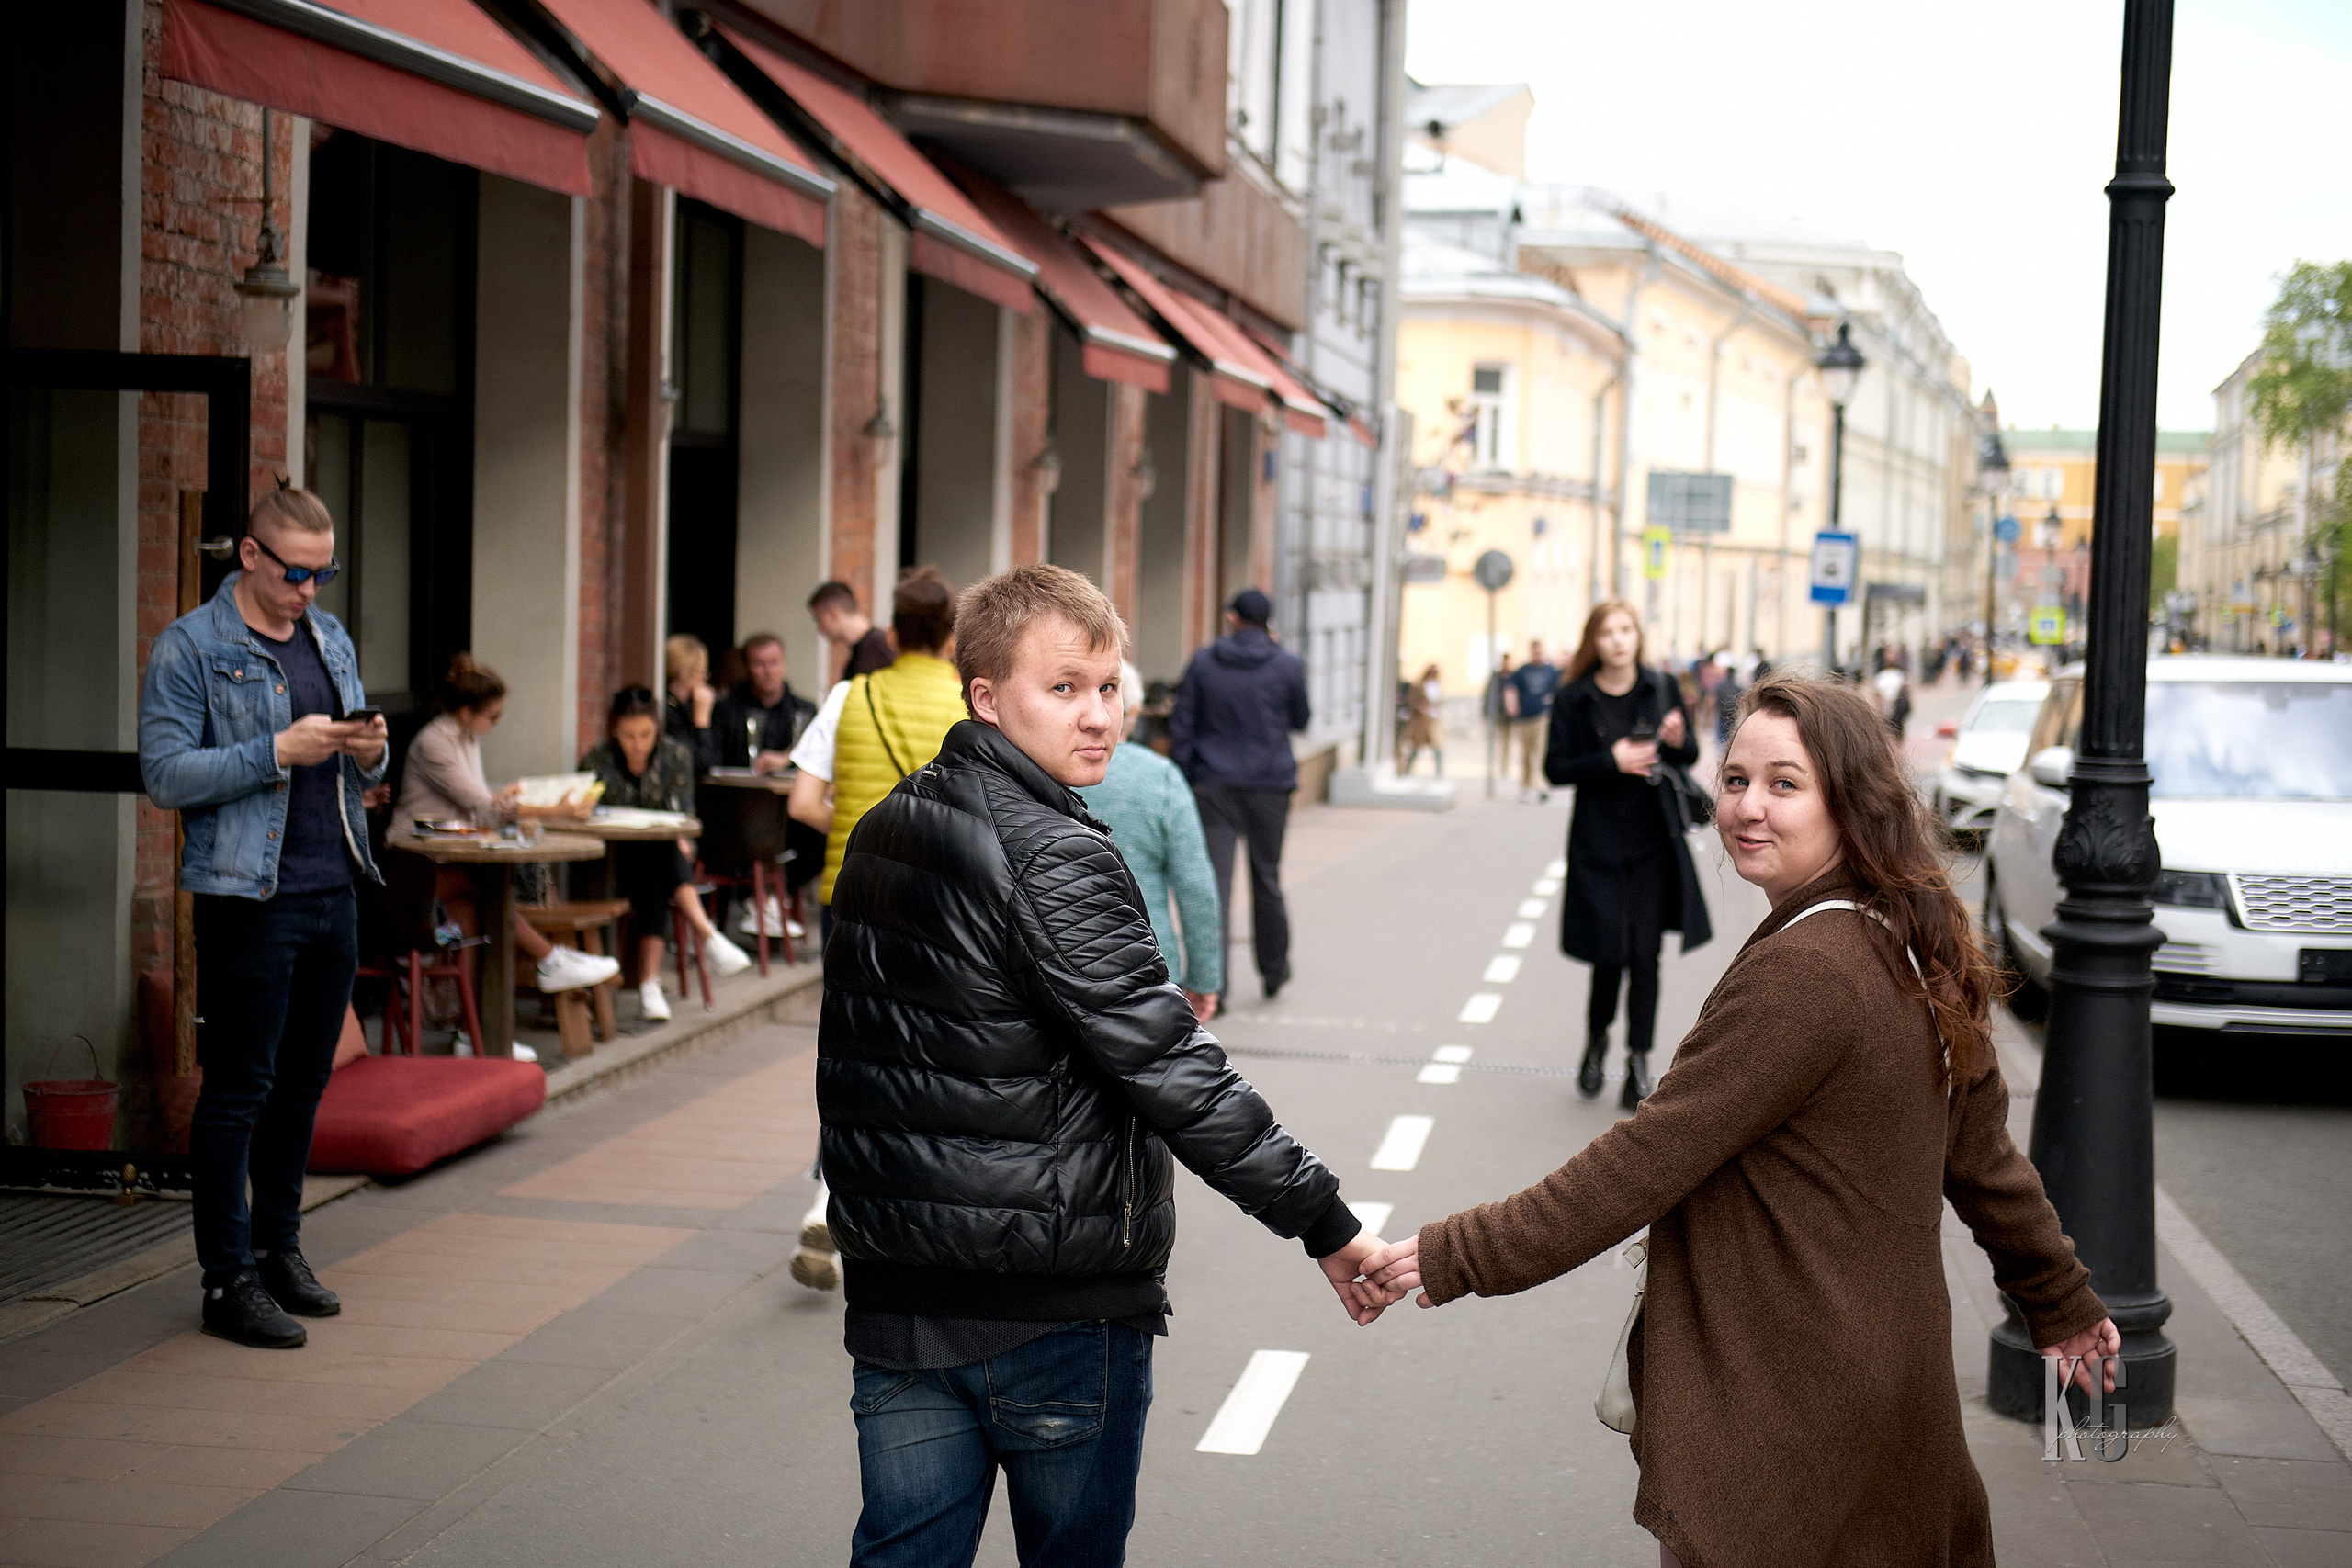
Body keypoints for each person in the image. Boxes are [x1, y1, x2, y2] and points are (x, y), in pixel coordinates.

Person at [1359, 671, 2120, 1568]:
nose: (1747, 807)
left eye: (1783, 784)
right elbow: (1985, 1161)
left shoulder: (1808, 972)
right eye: (1734, 780)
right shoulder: (1911, 937)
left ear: (1849, 803)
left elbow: (1638, 1165)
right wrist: (2057, 1300)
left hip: (1788, 1406)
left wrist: (1451, 1253)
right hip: (1885, 1385)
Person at [819, 562, 1385, 1567]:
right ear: (986, 697)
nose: (1098, 715)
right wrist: (1326, 1224)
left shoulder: (885, 827)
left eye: (1110, 685)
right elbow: (1173, 1070)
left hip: (899, 1298)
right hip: (1052, 1307)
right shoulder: (1052, 853)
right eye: (1064, 687)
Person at [139, 486, 390, 1348]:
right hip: (247, 896)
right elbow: (166, 775)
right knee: (239, 1089)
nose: (309, 590)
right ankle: (227, 1278)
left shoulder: (328, 635)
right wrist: (275, 750)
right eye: (295, 572)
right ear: (249, 554)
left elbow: (362, 767)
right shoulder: (190, 647)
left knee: (303, 1085)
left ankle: (279, 1249)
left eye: (323, 573)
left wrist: (370, 748)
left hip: (334, 888)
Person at [1545, 601, 1712, 1109]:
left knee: (1645, 955)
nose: (1618, 640)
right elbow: (1555, 768)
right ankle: (1596, 1042)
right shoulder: (1574, 697)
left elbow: (1687, 756)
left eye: (1626, 630)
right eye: (1607, 632)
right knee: (1609, 953)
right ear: (1593, 642)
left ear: (1638, 635)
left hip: (1653, 842)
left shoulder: (1661, 687)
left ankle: (1639, 1060)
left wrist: (1679, 741)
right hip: (1598, 844)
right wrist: (1610, 760)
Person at [390, 654, 623, 1010]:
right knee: (488, 886)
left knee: (470, 913)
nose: (498, 723)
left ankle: (466, 1024)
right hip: (412, 867)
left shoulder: (466, 737)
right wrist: (552, 810)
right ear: (466, 712)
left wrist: (504, 798)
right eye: (494, 716)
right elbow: (482, 807)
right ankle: (551, 959)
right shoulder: (434, 742)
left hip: (443, 857)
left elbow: (478, 803)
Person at [788, 565, 966, 920]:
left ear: (892, 637)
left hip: (851, 890)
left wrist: (858, 830)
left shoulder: (848, 696)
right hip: (937, 899)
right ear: (952, 641)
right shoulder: (972, 708)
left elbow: (803, 804)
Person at [1167, 588, 1310, 1003]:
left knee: (1216, 886)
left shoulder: (1204, 662)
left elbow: (1182, 723)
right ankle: (1274, 970)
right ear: (1268, 621)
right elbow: (1301, 718)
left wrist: (1187, 774)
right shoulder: (1287, 665)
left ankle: (1216, 986)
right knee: (1267, 878)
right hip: (1270, 787)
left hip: (1214, 785)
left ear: (1232, 617)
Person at [578, 687, 752, 1021]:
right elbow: (585, 810)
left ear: (657, 728)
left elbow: (684, 813)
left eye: (645, 734)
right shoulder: (598, 761)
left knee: (658, 861)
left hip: (664, 857)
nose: (638, 744)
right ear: (615, 730)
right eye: (629, 735)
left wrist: (681, 839)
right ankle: (702, 941)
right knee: (659, 859)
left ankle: (653, 982)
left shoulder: (675, 755)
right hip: (612, 862)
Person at [1076, 660, 1224, 1021]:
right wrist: (1204, 978)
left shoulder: (1044, 774)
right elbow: (1196, 888)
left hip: (1064, 963)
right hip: (1151, 963)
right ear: (1134, 713)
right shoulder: (1161, 778)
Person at [713, 632, 820, 935]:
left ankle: (772, 896)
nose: (768, 671)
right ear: (748, 667)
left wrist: (786, 758)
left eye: (774, 662)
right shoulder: (728, 709)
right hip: (740, 811)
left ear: (783, 663)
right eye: (760, 664)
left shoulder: (803, 710)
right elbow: (715, 759)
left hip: (790, 815)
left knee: (824, 834)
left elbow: (819, 758)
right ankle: (760, 900)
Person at [808, 579, 897, 682]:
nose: (819, 628)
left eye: (819, 620)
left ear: (833, 614)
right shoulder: (862, 649)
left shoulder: (880, 644)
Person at [1504, 639, 1560, 801]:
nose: (1537, 655)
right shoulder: (1523, 670)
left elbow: (1559, 689)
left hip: (1542, 717)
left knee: (1541, 751)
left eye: (1539, 651)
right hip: (1524, 718)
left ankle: (1541, 785)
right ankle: (1525, 786)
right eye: (1535, 652)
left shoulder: (1550, 670)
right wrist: (1511, 704)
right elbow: (1511, 688)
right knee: (1526, 754)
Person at [663, 633, 719, 773]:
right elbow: (700, 763)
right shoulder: (668, 712)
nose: (705, 678)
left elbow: (718, 757)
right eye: (702, 671)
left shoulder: (687, 706)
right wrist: (702, 721)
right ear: (686, 673)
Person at [1400, 662, 1444, 777]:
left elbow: (1439, 701)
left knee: (1437, 747)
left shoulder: (1436, 686)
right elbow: (1412, 700)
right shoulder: (1420, 685)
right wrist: (1420, 707)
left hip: (1434, 720)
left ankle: (1439, 772)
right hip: (1421, 721)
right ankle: (1408, 770)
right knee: (1416, 746)